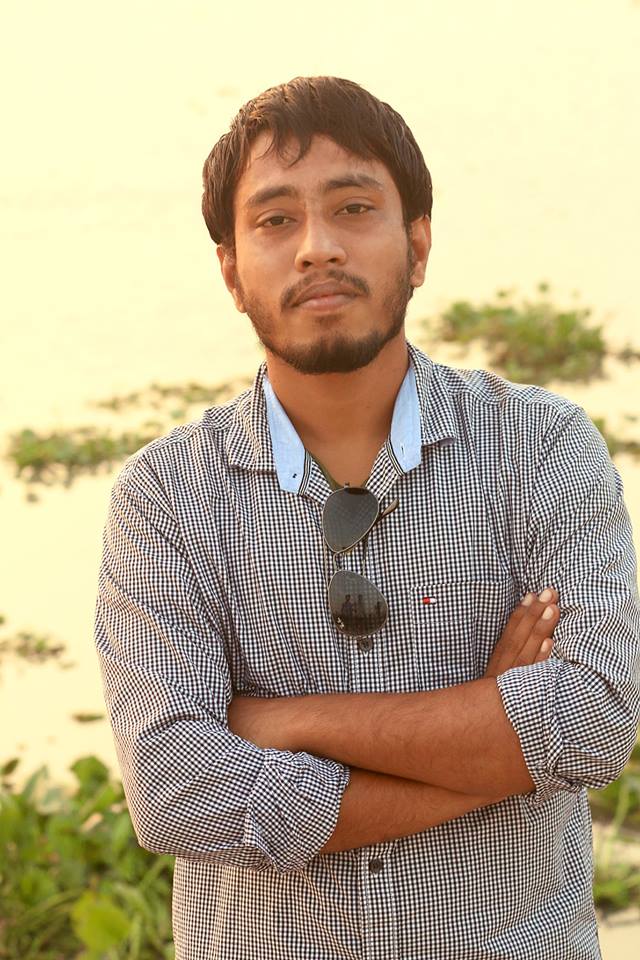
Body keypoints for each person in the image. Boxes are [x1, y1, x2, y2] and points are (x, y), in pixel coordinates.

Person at [94, 76, 640, 959]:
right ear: (231, 270)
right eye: (276, 219)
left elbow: (595, 720)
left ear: (417, 245)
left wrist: (288, 723)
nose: (317, 247)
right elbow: (173, 791)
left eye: (353, 208)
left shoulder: (542, 447)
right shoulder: (166, 497)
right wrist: (491, 748)